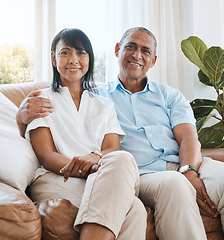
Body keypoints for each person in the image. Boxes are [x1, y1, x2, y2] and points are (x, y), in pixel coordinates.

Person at [17, 27, 224, 240]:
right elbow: (57, 132)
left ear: (153, 60)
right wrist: (20, 116)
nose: (137, 55)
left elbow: (189, 137)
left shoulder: (168, 95)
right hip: (142, 173)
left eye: (145, 51)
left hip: (184, 164)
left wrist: (189, 169)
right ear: (118, 50)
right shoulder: (98, 96)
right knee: (173, 185)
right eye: (131, 47)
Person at [21, 28, 146, 240]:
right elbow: (46, 154)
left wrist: (94, 160)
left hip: (99, 174)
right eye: (65, 53)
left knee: (123, 162)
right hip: (56, 177)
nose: (73, 60)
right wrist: (83, 169)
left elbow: (112, 148)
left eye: (81, 53)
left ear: (89, 59)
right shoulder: (41, 99)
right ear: (53, 58)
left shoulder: (104, 105)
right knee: (134, 208)